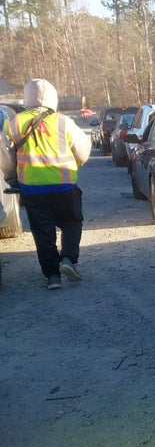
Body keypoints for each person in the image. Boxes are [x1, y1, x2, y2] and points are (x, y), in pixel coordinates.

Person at [2, 79, 91, 290]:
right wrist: (76, 163)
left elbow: (3, 155)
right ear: (53, 97)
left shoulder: (14, 122)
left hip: (32, 189)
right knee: (71, 222)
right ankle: (68, 259)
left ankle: (52, 277)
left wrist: (12, 173)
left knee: (43, 232)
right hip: (64, 186)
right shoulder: (63, 122)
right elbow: (83, 151)